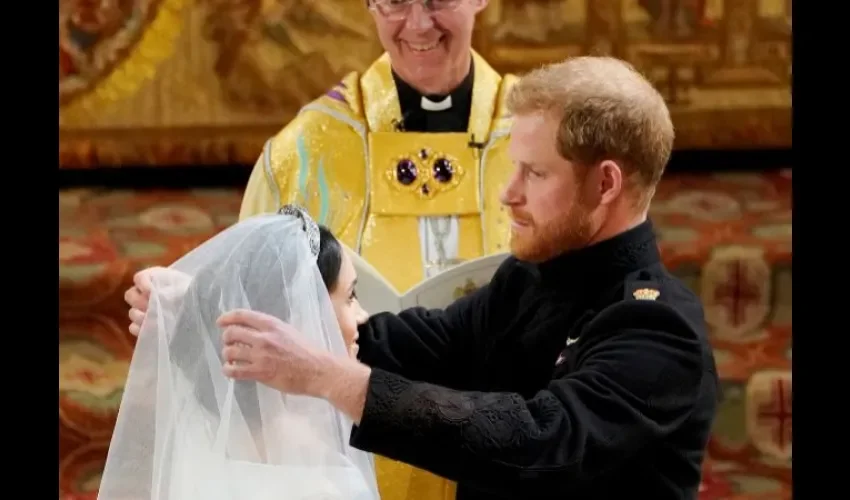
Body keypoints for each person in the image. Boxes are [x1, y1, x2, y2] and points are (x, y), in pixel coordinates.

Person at [129, 56, 720, 499]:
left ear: (607, 184)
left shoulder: (658, 329)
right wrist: (207, 310)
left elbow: (539, 441)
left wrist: (334, 381)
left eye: (535, 174)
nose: (508, 195)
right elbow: (410, 344)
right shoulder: (530, 280)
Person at [238, 0, 517, 296]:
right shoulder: (303, 150)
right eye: (395, 2)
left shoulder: (537, 137)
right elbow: (255, 299)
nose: (419, 25)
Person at [102, 206, 379, 500]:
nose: (364, 315)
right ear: (302, 315)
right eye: (350, 296)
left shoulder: (200, 445)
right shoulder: (333, 484)